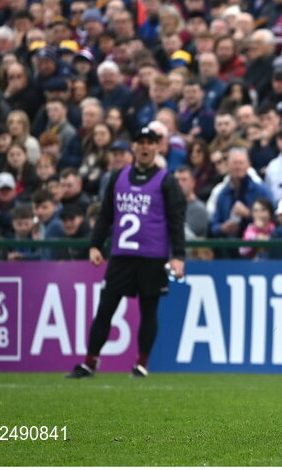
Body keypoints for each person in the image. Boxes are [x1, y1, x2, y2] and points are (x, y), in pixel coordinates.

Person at [65, 127, 187, 379]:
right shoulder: (118, 177)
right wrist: (95, 244)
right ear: (133, 146)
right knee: (106, 308)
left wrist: (178, 255)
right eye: (140, 142)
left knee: (148, 311)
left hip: (152, 257)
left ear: (157, 147)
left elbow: (176, 219)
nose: (144, 147)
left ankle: (141, 364)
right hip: (121, 255)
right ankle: (89, 362)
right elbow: (105, 214)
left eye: (149, 143)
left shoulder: (166, 180)